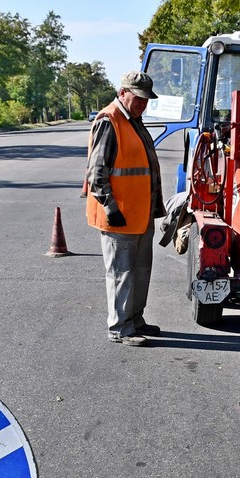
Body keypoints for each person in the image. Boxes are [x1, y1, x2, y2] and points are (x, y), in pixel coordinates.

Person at [85, 71, 166, 347]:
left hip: (140, 214)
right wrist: (110, 206)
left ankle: (135, 319)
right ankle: (119, 327)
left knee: (141, 270)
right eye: (138, 98)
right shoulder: (110, 121)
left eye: (146, 100)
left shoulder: (134, 121)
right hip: (119, 216)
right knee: (121, 272)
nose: (143, 104)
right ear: (123, 93)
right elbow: (96, 172)